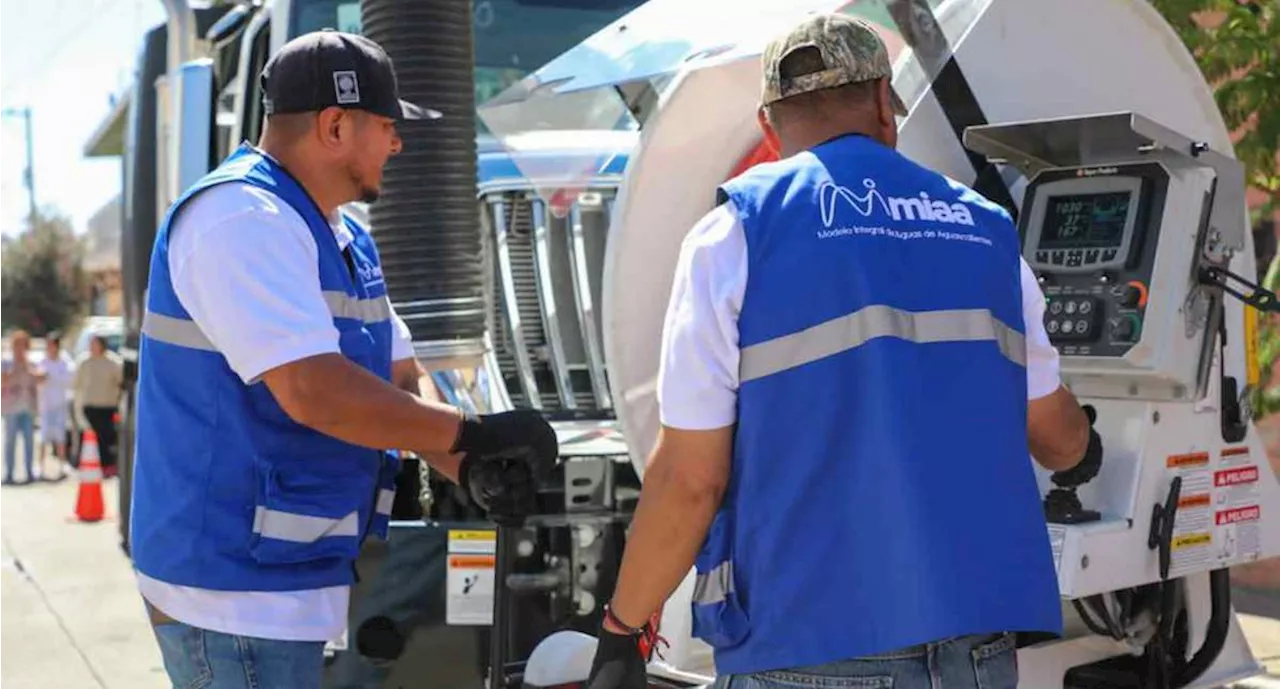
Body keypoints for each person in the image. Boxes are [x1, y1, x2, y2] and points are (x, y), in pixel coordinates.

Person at [584, 14, 1101, 689]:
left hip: (807, 648)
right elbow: (1056, 435)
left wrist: (623, 627)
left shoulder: (735, 234)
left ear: (769, 129)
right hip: (976, 653)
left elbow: (690, 480)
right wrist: (1084, 447)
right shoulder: (987, 229)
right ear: (886, 103)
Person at [129, 30, 557, 688]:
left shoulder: (341, 234)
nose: (398, 143)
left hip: (286, 581)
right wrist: (467, 435)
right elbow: (314, 389)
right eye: (387, 125)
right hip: (230, 594)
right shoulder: (239, 218)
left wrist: (472, 464)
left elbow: (397, 380)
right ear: (334, 125)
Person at [73, 335, 124, 476]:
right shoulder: (84, 362)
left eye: (95, 344)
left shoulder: (113, 362)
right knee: (89, 438)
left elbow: (121, 383)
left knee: (106, 438)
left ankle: (107, 466)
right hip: (89, 406)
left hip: (107, 407)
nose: (92, 347)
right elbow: (77, 385)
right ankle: (86, 466)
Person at [0, 329, 39, 484]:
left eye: (23, 345)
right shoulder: (5, 363)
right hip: (10, 407)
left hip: (27, 407)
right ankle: (9, 473)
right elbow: (2, 382)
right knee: (10, 441)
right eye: (17, 345)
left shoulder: (31, 364)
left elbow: (37, 383)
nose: (20, 349)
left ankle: (29, 472)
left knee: (29, 441)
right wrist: (14, 370)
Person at [37, 333, 75, 481]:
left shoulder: (65, 362)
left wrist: (52, 378)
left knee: (60, 437)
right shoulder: (42, 361)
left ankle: (62, 464)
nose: (50, 349)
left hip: (60, 405)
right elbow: (37, 378)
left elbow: (69, 380)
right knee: (43, 437)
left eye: (53, 346)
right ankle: (40, 466)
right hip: (45, 405)